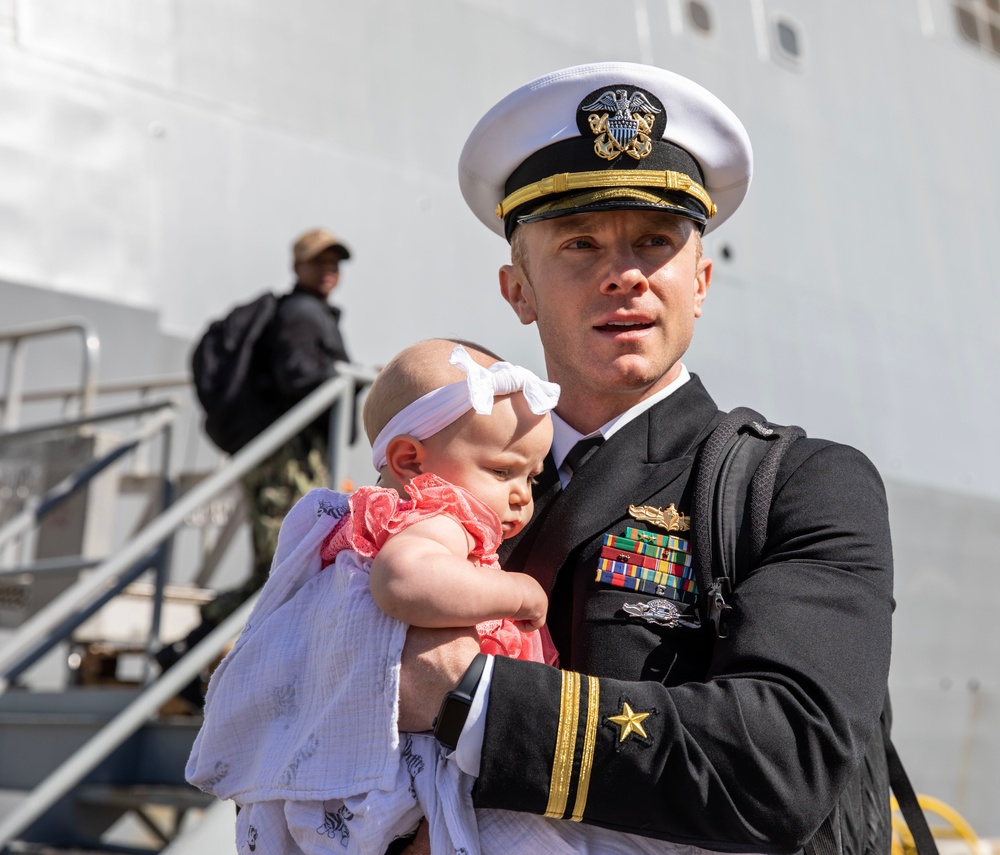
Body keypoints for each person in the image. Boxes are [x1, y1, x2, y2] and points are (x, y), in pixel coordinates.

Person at [395, 61, 895, 854]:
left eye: (655, 242)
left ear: (698, 281)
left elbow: (786, 758)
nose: (624, 274)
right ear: (516, 289)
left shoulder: (800, 487)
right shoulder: (435, 498)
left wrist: (473, 699)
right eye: (580, 242)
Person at [158, 228, 354, 702]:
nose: (329, 269)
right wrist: (348, 381)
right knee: (286, 565)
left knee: (287, 564)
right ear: (297, 266)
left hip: (287, 455)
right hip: (285, 458)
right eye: (319, 261)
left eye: (335, 261)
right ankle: (188, 651)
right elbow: (297, 375)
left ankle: (191, 652)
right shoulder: (302, 314)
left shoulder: (307, 313)